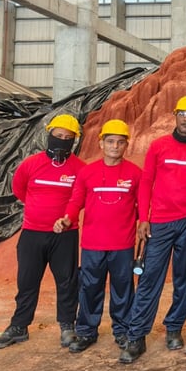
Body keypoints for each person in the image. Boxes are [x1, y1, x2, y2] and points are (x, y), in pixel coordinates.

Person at [119, 95, 186, 364]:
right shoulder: (159, 146)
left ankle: (174, 328)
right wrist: (143, 218)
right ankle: (136, 335)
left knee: (184, 278)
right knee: (150, 278)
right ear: (175, 116)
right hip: (159, 223)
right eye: (181, 113)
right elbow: (146, 182)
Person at [0, 114, 85, 350]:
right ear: (49, 135)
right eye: (58, 136)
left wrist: (65, 219)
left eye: (68, 138)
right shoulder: (31, 164)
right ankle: (19, 326)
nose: (62, 141)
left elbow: (80, 198)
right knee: (27, 281)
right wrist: (39, 211)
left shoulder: (80, 168)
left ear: (74, 141)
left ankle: (67, 326)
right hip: (32, 233)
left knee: (67, 281)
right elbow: (19, 190)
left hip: (65, 234)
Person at [53, 119, 142, 353]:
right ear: (101, 143)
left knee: (122, 289)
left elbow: (143, 206)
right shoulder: (87, 172)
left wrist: (145, 222)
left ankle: (122, 330)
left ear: (126, 146)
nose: (115, 146)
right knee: (90, 287)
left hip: (122, 244)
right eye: (110, 141)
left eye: (120, 142)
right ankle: (86, 331)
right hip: (93, 243)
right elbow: (75, 201)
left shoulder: (135, 173)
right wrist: (67, 218)